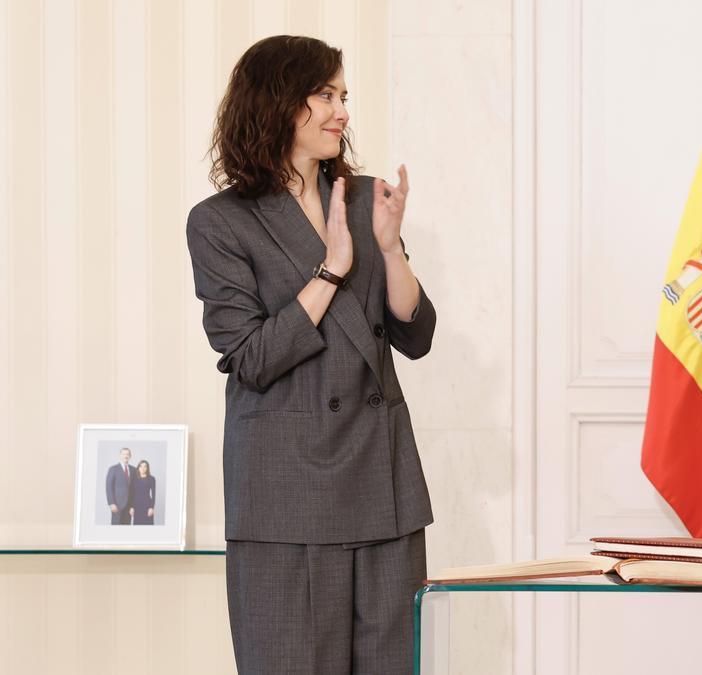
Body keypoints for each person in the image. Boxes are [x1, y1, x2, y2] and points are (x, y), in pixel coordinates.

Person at [186, 35, 436, 674]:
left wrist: (390, 250)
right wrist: (331, 269)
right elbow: (251, 357)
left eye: (343, 96)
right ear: (276, 101)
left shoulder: (364, 196)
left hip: (382, 480)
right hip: (285, 494)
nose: (342, 112)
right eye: (325, 95)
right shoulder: (220, 221)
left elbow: (415, 336)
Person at [104, 447, 135, 525]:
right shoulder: (113, 469)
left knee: (126, 528)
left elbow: (135, 489)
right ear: (120, 455)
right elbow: (109, 487)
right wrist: (111, 503)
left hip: (129, 506)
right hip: (117, 505)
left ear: (130, 456)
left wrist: (133, 506)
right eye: (123, 454)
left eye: (127, 454)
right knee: (116, 527)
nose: (126, 456)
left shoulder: (134, 470)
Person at [129, 460, 156, 525]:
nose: (142, 468)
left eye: (145, 466)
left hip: (147, 505)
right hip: (137, 506)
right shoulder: (134, 479)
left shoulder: (151, 479)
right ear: (138, 468)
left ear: (147, 468)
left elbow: (153, 494)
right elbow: (132, 494)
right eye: (141, 466)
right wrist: (131, 507)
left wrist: (151, 508)